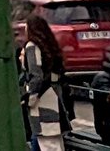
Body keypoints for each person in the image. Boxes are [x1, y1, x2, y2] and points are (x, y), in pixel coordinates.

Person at [18, 17, 66, 151]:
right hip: (54, 97)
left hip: (41, 100)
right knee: (53, 143)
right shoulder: (50, 46)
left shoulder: (32, 46)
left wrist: (29, 98)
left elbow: (36, 75)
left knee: (44, 139)